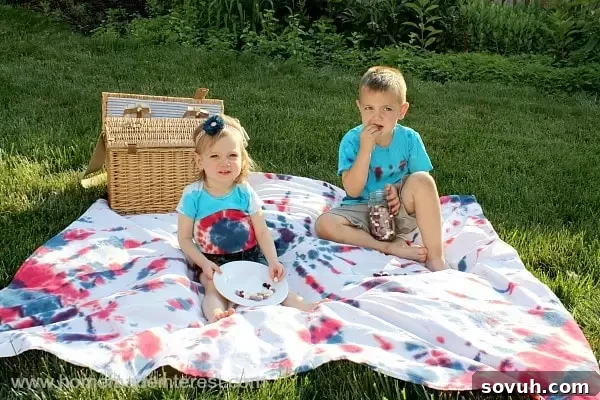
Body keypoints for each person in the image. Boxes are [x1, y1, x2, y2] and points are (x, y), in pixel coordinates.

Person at [177, 114, 323, 323]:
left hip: (251, 255)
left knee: (275, 284)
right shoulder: (194, 195)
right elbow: (184, 238)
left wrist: (273, 261)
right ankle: (217, 315)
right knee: (213, 288)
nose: (225, 163)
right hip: (213, 260)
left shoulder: (244, 191)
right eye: (215, 156)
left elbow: (262, 231)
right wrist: (203, 263)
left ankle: (303, 305)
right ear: (199, 160)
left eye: (232, 155)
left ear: (242, 158)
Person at [315, 66, 448, 272]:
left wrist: (397, 192)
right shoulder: (352, 141)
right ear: (359, 107)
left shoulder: (409, 139)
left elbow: (421, 183)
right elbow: (352, 190)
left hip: (399, 211)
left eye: (386, 109)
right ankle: (387, 247)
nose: (376, 117)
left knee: (424, 180)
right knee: (324, 224)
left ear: (401, 111)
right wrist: (366, 150)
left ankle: (436, 258)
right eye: (369, 108)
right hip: (362, 211)